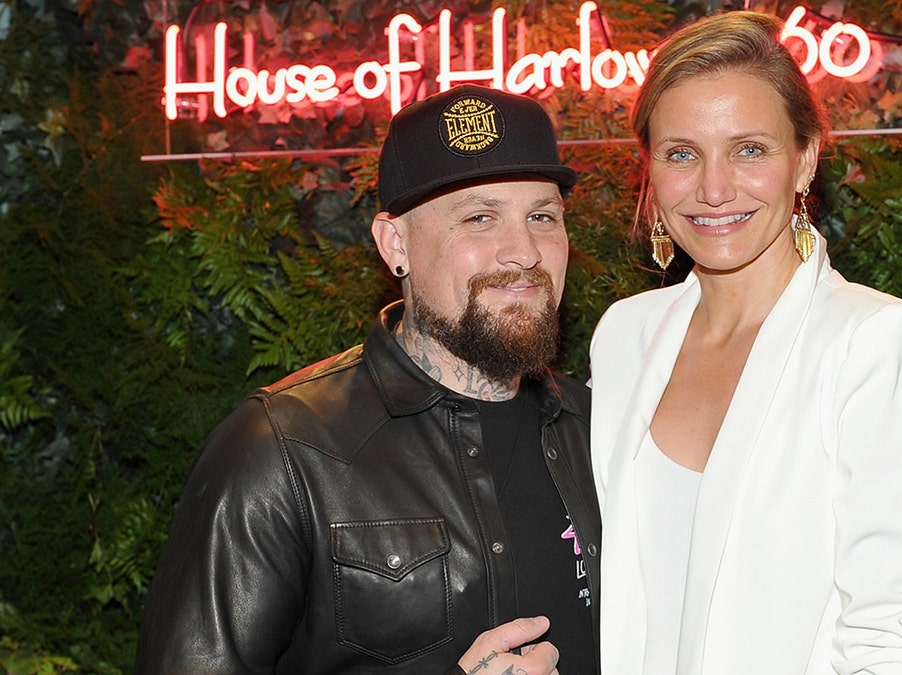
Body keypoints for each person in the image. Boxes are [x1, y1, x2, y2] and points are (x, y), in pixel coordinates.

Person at [135, 84, 600, 675]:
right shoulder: (285, 448)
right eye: (479, 218)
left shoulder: (601, 430)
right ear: (395, 244)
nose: (524, 250)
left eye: (542, 216)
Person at [588, 11, 902, 674]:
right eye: (682, 153)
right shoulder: (625, 336)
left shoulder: (881, 346)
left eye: (749, 149)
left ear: (806, 161)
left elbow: (893, 639)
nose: (713, 189)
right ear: (650, 169)